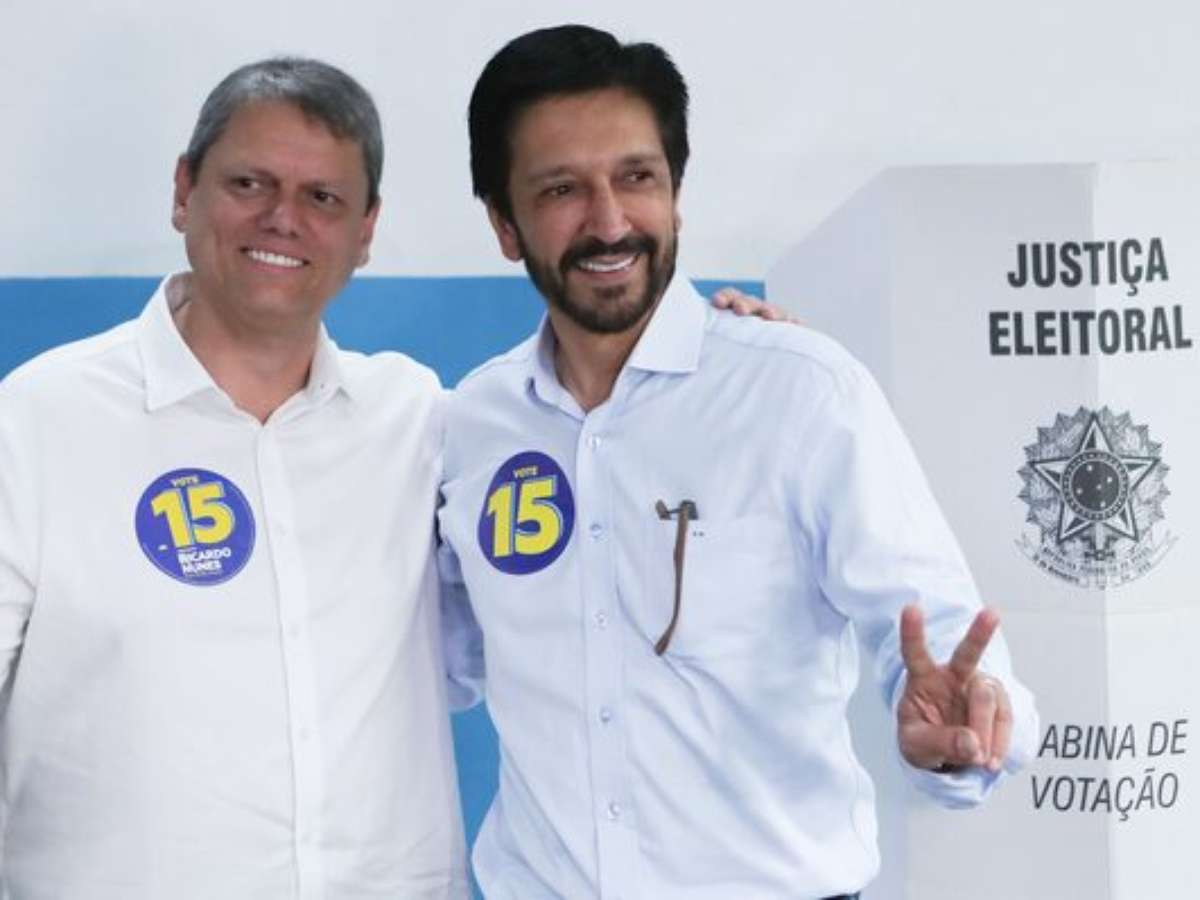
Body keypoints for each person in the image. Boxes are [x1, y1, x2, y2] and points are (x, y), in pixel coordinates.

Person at [436, 25, 1039, 899]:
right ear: (504, 223)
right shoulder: (471, 425)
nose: (609, 222)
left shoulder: (799, 392)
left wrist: (964, 729)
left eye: (637, 178)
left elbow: (938, 634)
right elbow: (436, 665)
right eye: (562, 189)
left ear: (676, 193)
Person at [0, 58, 467, 898]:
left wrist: (724, 362)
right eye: (250, 183)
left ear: (365, 229)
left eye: (323, 197)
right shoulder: (35, 421)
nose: (283, 218)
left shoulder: (420, 423)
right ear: (184, 190)